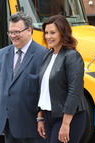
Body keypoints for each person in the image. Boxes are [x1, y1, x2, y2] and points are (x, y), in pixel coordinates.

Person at [0, 11, 48, 143]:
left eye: (17, 32)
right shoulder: (1, 54)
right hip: (8, 122)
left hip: (32, 125)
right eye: (11, 32)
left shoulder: (44, 54)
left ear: (29, 30)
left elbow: (45, 90)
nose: (13, 36)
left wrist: (41, 117)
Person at [36, 15, 88, 143]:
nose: (48, 36)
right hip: (49, 116)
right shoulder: (48, 55)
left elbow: (74, 91)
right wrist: (40, 118)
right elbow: (42, 90)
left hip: (69, 117)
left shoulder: (72, 56)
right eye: (46, 33)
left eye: (53, 32)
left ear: (63, 33)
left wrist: (65, 124)